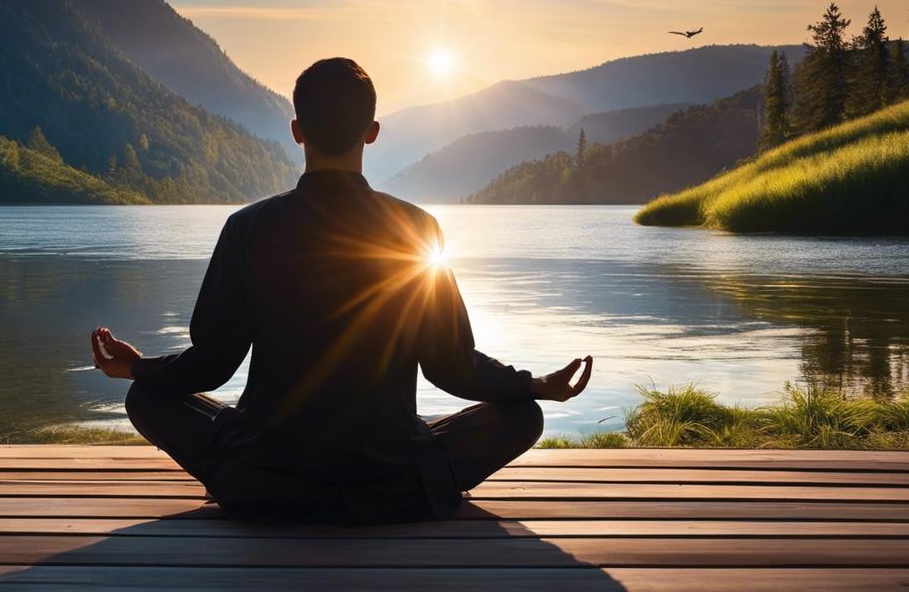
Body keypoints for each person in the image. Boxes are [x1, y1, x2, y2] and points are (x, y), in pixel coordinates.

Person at [91, 57, 593, 524]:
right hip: (393, 483)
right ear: (372, 133)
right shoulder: (417, 228)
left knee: (146, 398)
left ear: (296, 131)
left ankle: (247, 479)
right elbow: (452, 366)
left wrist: (137, 367)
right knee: (521, 417)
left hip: (264, 478)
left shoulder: (247, 227)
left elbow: (213, 363)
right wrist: (531, 384)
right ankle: (399, 480)